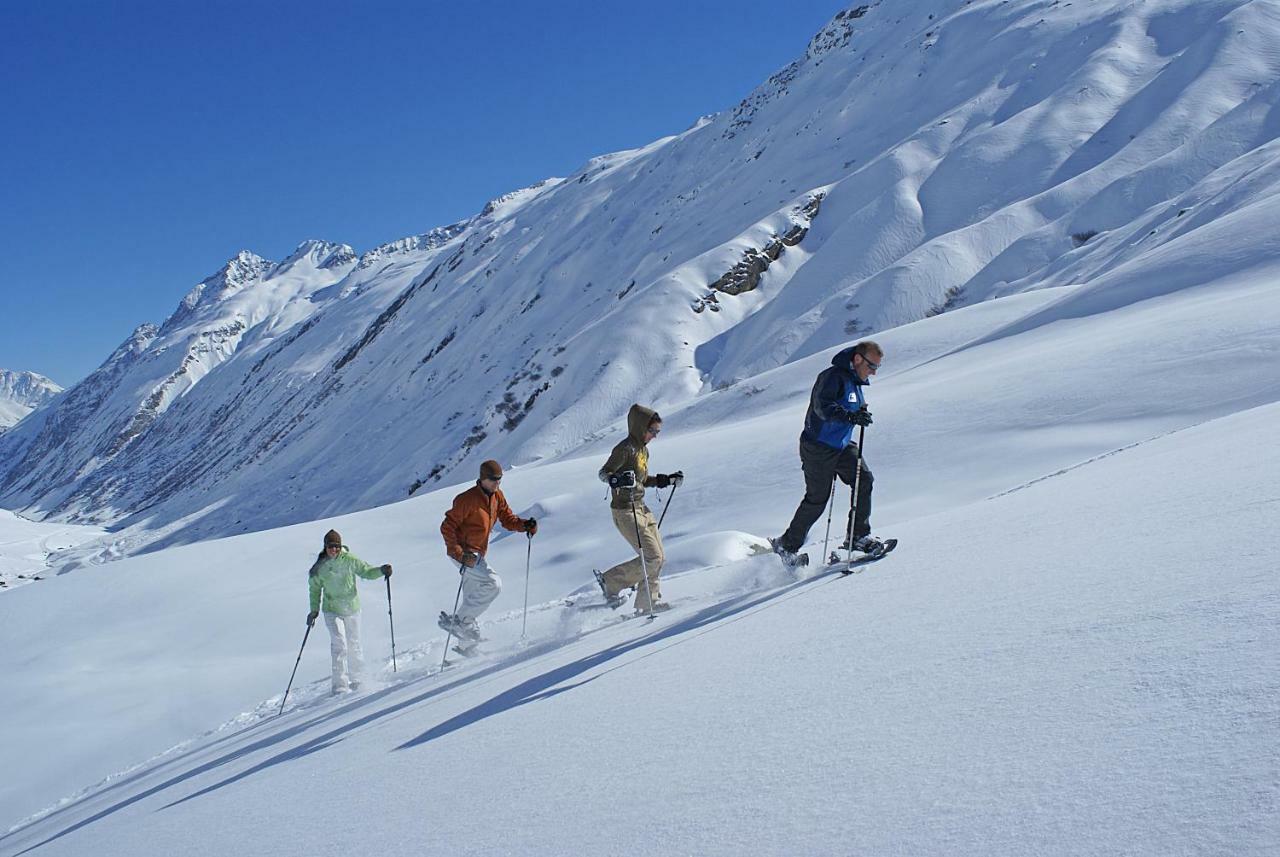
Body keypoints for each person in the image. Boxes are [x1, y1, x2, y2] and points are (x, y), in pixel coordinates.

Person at [772, 341, 885, 566]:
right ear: (858, 359)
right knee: (817, 499)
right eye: (872, 366)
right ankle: (786, 546)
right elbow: (822, 406)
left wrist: (861, 413)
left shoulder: (856, 382)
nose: (873, 372)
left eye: (877, 368)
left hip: (841, 445)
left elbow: (849, 406)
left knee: (864, 480)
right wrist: (851, 417)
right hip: (818, 446)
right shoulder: (832, 377)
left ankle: (858, 537)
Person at [438, 459, 537, 650]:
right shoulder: (466, 499)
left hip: (477, 553)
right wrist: (459, 553)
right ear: (482, 478)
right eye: (493, 480)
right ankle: (458, 621)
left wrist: (524, 524)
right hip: (464, 553)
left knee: (472, 596)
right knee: (493, 583)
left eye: (499, 480)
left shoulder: (496, 496)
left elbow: (507, 519)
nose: (497, 484)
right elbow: (447, 526)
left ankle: (466, 646)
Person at [594, 404, 683, 614]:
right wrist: (617, 479)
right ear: (640, 426)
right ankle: (611, 582)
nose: (654, 436)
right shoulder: (625, 449)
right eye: (652, 431)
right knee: (652, 557)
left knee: (658, 557)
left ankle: (647, 604)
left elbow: (642, 480)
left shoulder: (643, 451)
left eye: (657, 432)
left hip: (641, 507)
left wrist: (666, 480)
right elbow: (603, 473)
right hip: (625, 510)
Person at [306, 529, 392, 693]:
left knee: (354, 644)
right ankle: (340, 685)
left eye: (336, 546)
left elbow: (366, 572)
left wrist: (381, 570)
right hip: (332, 610)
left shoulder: (350, 560)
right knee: (340, 645)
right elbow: (314, 590)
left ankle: (358, 679)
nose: (334, 550)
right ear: (325, 547)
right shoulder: (319, 568)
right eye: (330, 547)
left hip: (352, 608)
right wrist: (313, 611)